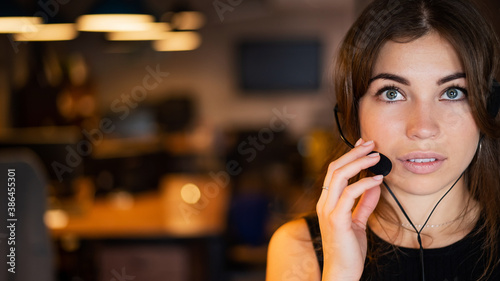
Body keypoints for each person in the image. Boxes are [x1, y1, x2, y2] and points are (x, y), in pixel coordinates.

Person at [266, 0, 500, 280]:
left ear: (488, 107)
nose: (423, 128)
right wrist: (339, 272)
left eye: (452, 93)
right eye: (392, 93)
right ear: (353, 114)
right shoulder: (298, 248)